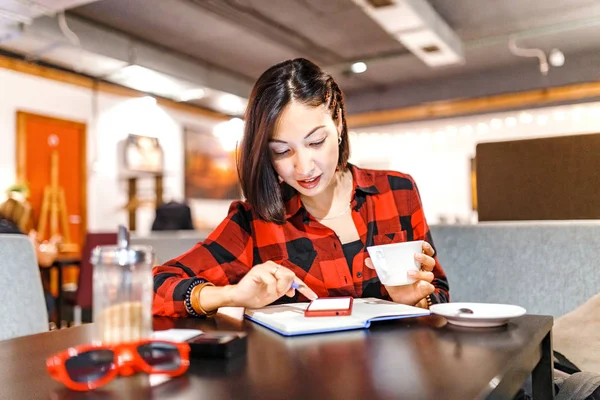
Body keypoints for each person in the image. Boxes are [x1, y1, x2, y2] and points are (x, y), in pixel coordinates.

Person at [152, 58, 449, 318]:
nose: (304, 168)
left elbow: (439, 292)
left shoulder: (397, 192)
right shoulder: (253, 222)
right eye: (282, 151)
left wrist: (419, 301)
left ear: (339, 124)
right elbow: (155, 287)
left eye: (316, 142)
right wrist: (231, 295)